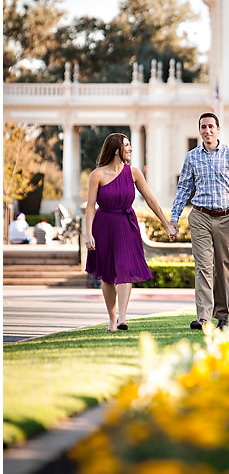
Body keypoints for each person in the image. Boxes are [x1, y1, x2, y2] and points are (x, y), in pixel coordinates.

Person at [85, 134, 176, 332]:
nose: (131, 149)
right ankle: (111, 318)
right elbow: (90, 207)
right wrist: (88, 234)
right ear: (116, 149)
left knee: (125, 268)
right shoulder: (97, 175)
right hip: (104, 227)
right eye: (127, 145)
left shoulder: (134, 172)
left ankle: (123, 317)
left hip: (127, 226)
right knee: (108, 276)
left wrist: (166, 224)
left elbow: (151, 200)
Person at [169, 112, 229, 330]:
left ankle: (222, 315)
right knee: (203, 266)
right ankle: (204, 317)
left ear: (218, 129)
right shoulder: (192, 157)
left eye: (210, 127)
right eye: (203, 127)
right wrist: (174, 219)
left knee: (223, 267)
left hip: (226, 218)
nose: (207, 131)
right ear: (200, 131)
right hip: (200, 217)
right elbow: (183, 189)